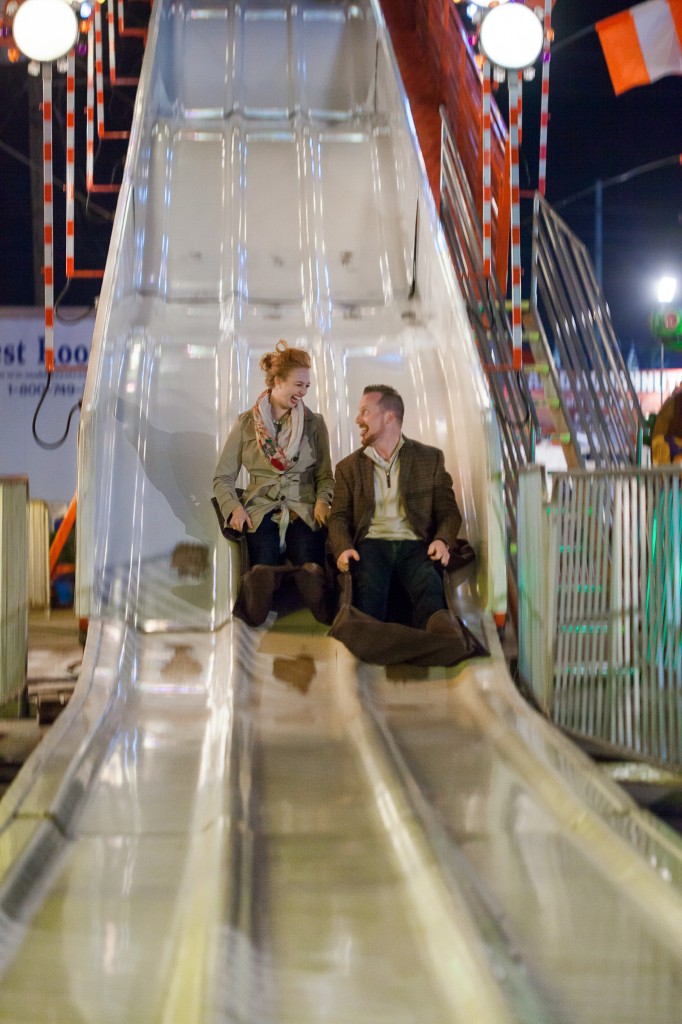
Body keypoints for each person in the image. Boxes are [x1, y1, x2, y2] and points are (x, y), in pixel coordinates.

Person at [213, 340, 333, 624]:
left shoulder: (315, 424)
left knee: (308, 561)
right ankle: (257, 602)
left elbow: (325, 475)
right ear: (277, 381)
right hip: (260, 510)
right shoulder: (246, 424)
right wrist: (234, 508)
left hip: (302, 508)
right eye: (298, 385)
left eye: (307, 386)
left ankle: (317, 594)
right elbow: (222, 477)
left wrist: (322, 501)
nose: (303, 392)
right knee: (261, 564)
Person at [328, 384, 462, 633]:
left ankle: (437, 638)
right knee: (367, 587)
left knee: (429, 584)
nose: (358, 420)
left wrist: (442, 540)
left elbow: (448, 511)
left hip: (414, 543)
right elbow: (337, 518)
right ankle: (370, 642)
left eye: (365, 412)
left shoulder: (429, 459)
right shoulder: (348, 467)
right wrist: (343, 547)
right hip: (371, 542)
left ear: (389, 417)